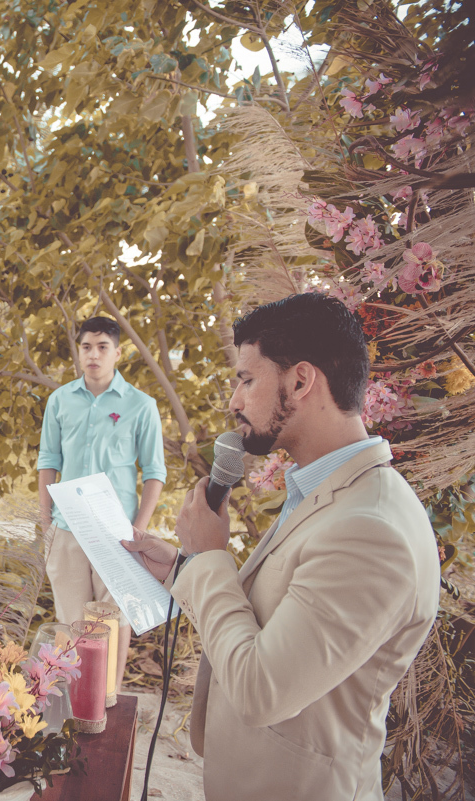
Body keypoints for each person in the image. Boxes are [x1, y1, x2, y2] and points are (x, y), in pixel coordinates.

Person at [123, 293, 439, 801]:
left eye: (247, 380)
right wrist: (185, 568)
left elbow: (261, 689)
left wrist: (210, 557)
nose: (234, 402)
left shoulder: (371, 529)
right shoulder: (322, 490)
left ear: (300, 381)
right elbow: (279, 613)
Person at [37, 316, 166, 690]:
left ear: (117, 353)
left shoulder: (141, 405)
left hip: (117, 533)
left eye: (102, 347)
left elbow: (154, 472)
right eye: (86, 347)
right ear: (79, 352)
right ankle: (72, 702)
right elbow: (48, 462)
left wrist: (137, 528)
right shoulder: (60, 401)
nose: (93, 354)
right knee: (70, 622)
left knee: (114, 619)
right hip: (66, 528)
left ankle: (107, 699)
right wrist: (46, 525)